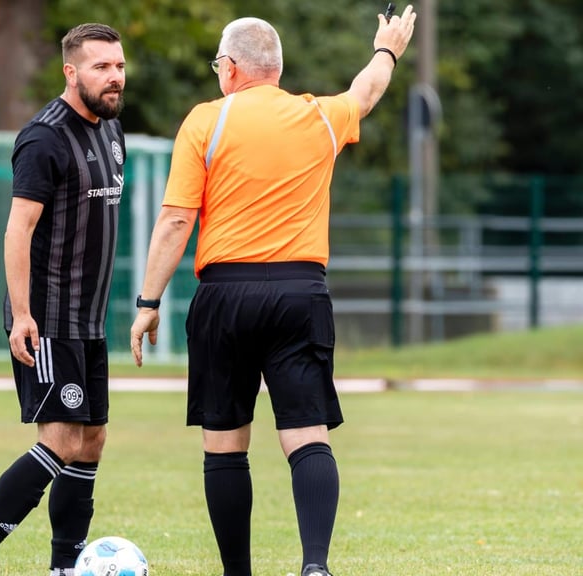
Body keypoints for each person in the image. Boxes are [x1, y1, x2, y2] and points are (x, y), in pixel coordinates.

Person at [129, 7, 416, 576]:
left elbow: (175, 222)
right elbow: (367, 90)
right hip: (298, 292)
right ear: (277, 69)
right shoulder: (319, 116)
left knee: (224, 443)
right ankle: (314, 568)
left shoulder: (205, 121)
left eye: (218, 64)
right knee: (306, 435)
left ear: (231, 68)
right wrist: (387, 48)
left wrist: (148, 302)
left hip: (225, 294)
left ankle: (239, 572)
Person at [0, 22, 126, 576]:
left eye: (119, 66)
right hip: (47, 315)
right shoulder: (43, 137)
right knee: (58, 439)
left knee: (91, 440)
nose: (114, 77)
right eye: (101, 67)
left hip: (90, 318)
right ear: (71, 72)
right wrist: (23, 314)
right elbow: (16, 231)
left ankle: (65, 567)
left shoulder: (111, 128)